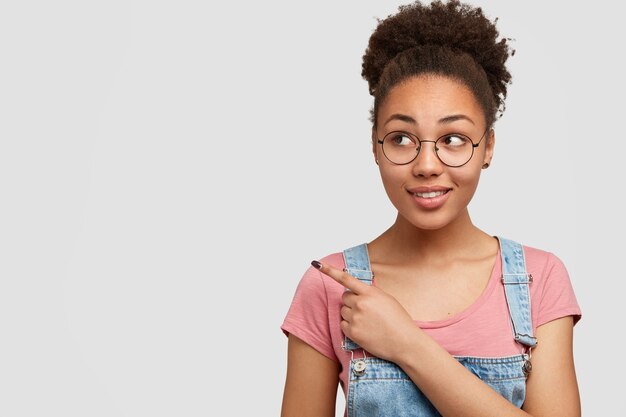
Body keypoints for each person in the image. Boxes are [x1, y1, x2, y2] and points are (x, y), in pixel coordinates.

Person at [280, 1, 582, 416]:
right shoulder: (332, 286)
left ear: (488, 146)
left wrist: (406, 344)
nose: (426, 166)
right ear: (375, 145)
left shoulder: (536, 280)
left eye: (453, 139)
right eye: (401, 138)